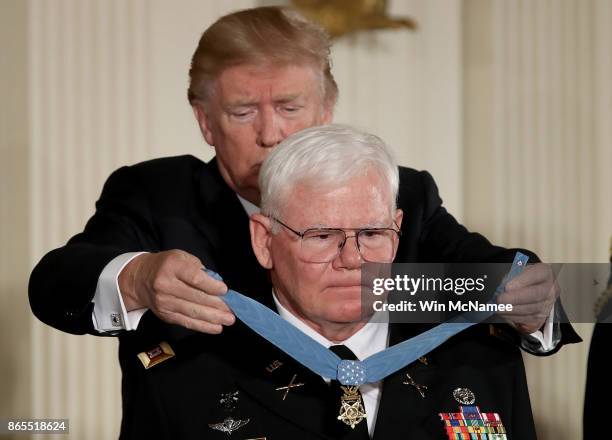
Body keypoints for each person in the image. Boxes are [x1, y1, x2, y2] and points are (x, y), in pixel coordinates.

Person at [28, 3, 576, 405]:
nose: (271, 133)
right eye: (243, 111)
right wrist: (137, 277)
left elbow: (478, 268)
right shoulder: (157, 194)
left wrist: (527, 293)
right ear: (204, 120)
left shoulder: (395, 192)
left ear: (327, 107)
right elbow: (56, 282)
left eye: (289, 105)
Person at [110, 124, 537, 439]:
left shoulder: (481, 358)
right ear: (264, 240)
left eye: (372, 234)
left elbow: (556, 287)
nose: (352, 260)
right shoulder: (181, 378)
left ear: (398, 229)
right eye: (321, 236)